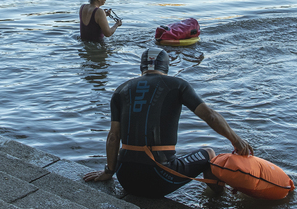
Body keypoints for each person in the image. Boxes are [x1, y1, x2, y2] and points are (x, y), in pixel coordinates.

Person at [83, 49, 252, 198]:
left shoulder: (121, 90)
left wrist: (108, 172)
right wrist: (236, 141)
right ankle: (219, 199)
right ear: (166, 66)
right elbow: (210, 116)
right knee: (208, 153)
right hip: (158, 177)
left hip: (125, 177)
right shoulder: (177, 85)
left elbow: (113, 136)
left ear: (142, 67)